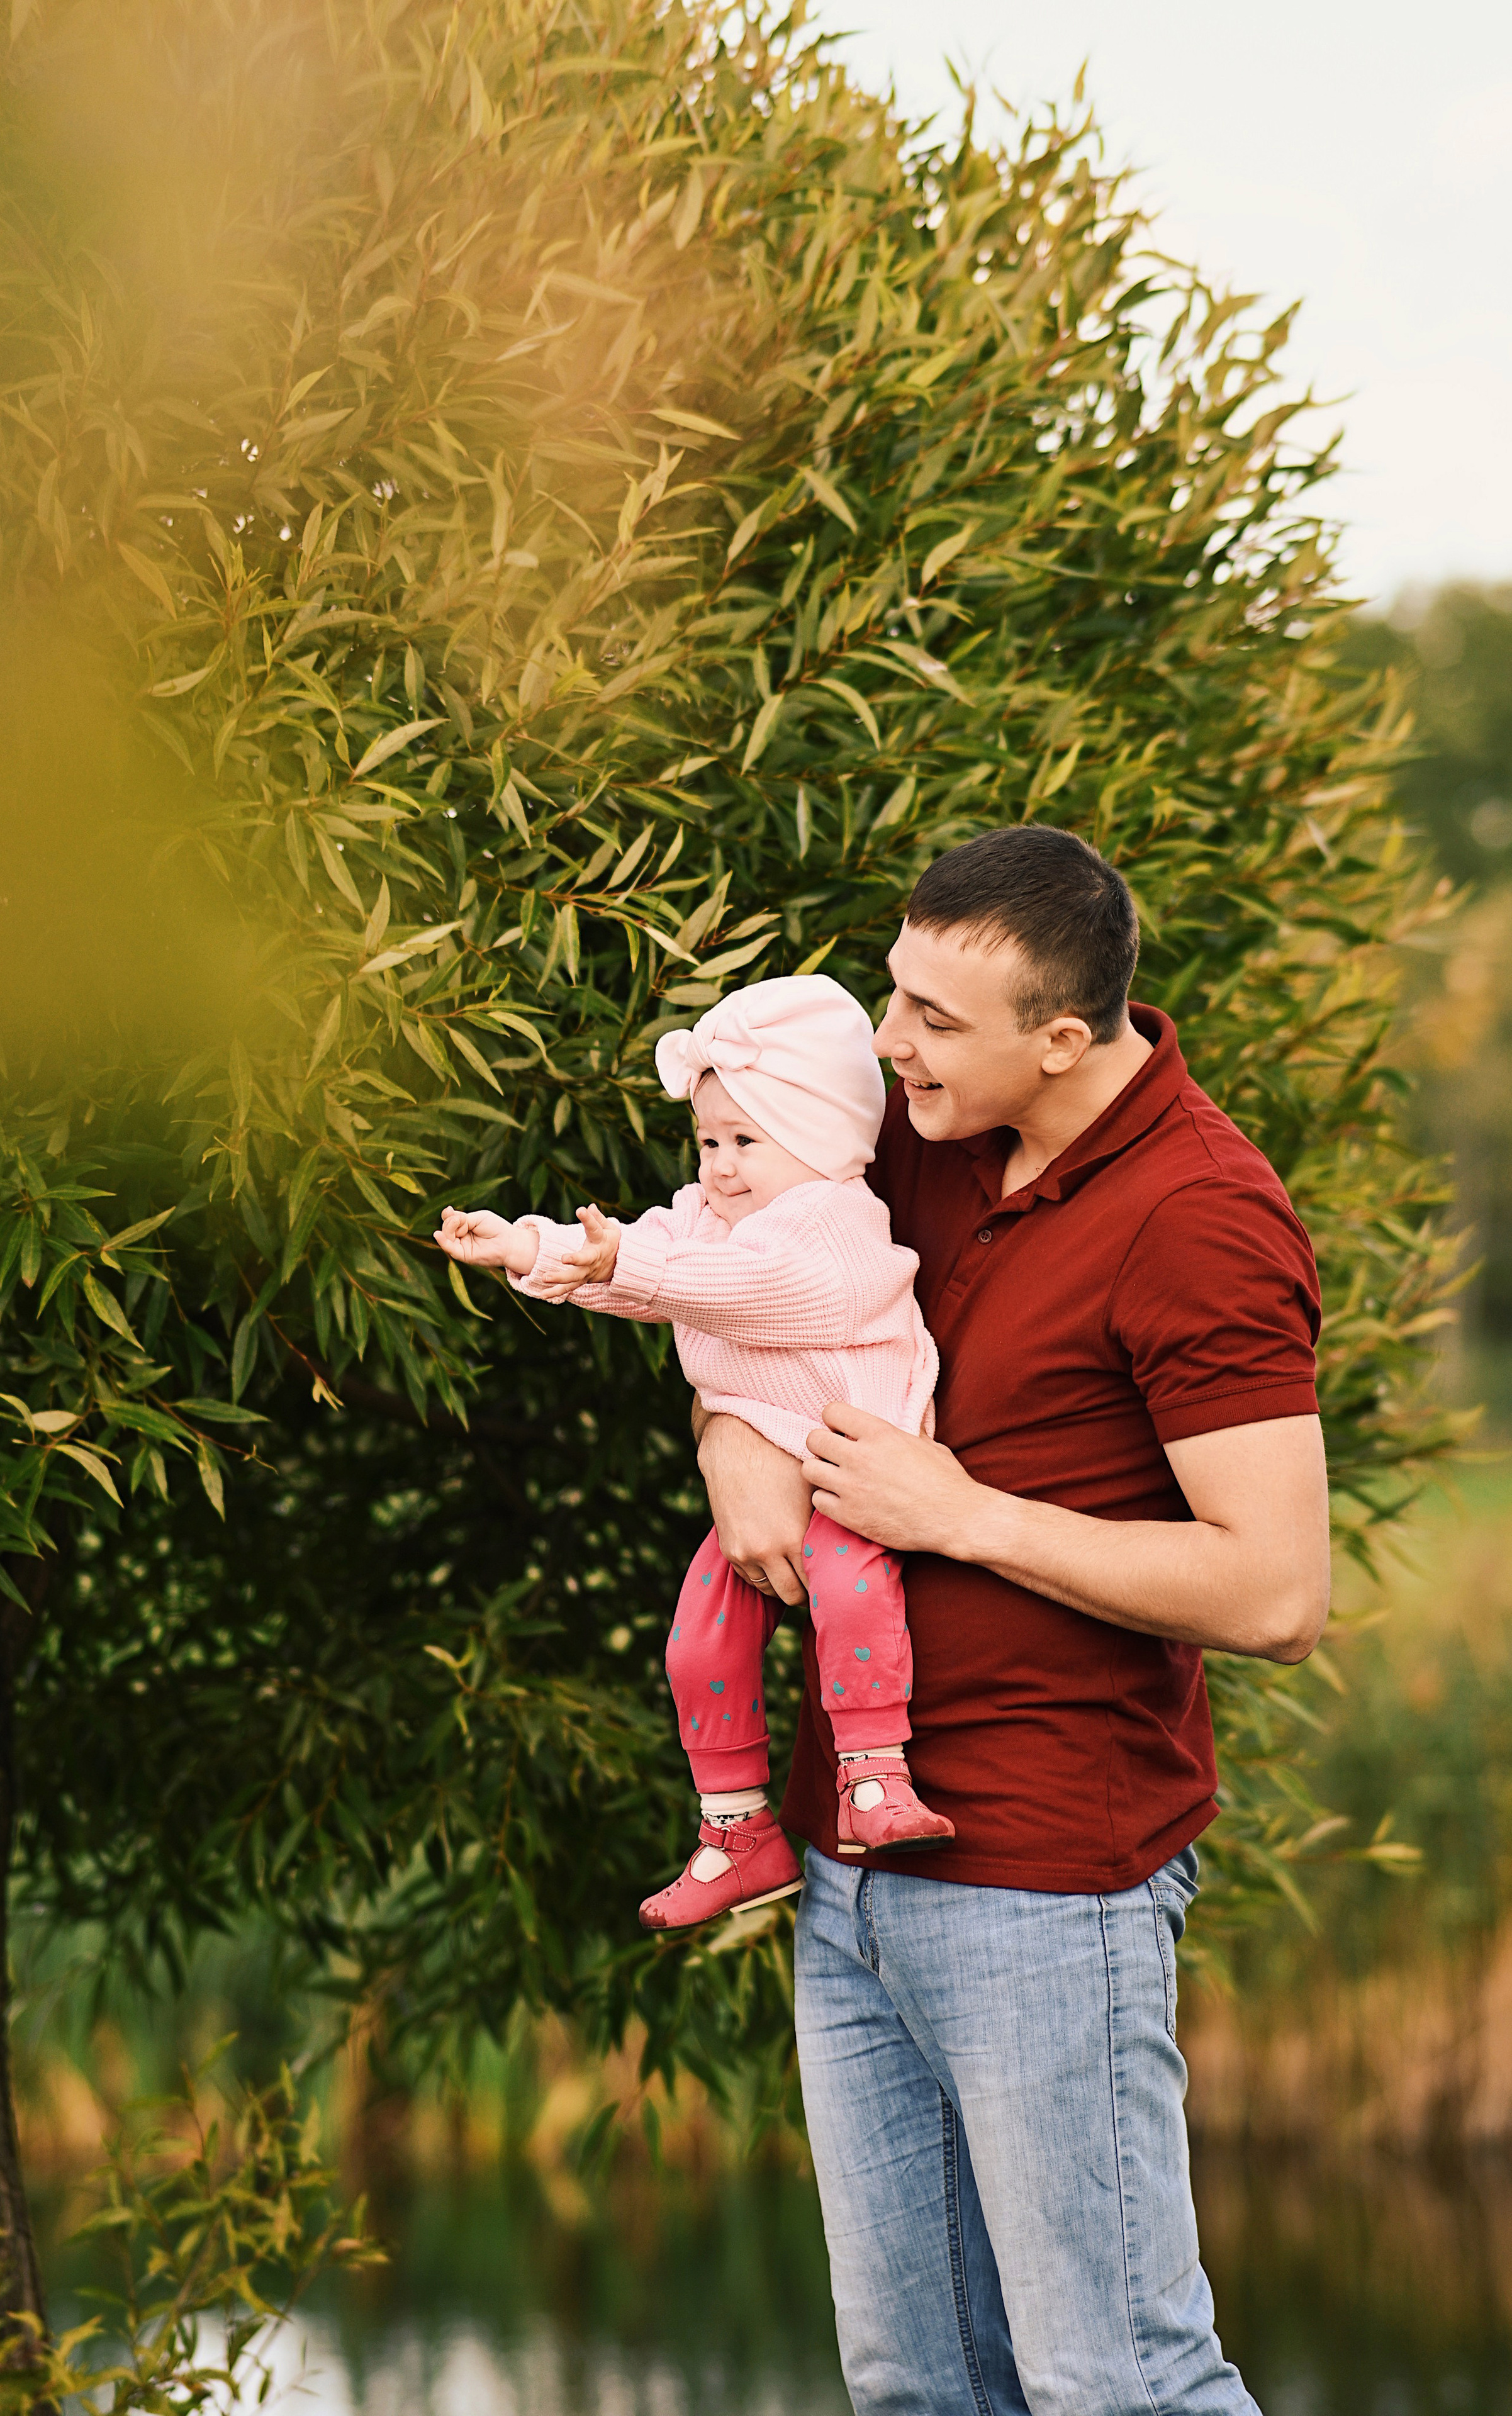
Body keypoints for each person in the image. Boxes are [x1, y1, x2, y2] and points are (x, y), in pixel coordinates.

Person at [697, 825, 1330, 2416]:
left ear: (1063, 1039)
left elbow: (1274, 1589)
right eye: (893, 993)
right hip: (851, 1870)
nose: (888, 1039)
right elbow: (732, 1278)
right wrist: (729, 1455)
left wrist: (959, 1514)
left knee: (1114, 2381)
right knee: (917, 2387)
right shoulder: (917, 1131)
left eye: (929, 1016)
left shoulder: (1201, 1218)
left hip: (1046, 1886)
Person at [434, 972, 953, 1932]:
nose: (719, 1165)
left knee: (849, 1593)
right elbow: (646, 1253)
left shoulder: (834, 1226)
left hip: (858, 1469)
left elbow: (749, 1289)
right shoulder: (715, 1220)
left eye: (746, 1142)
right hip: (773, 1461)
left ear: (825, 1138)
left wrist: (627, 1263)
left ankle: (876, 1774)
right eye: (709, 1140)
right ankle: (735, 1827)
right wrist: (529, 1248)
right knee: (697, 1640)